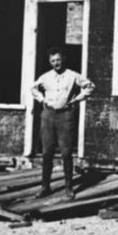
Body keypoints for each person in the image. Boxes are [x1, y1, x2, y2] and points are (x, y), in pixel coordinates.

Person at [29, 47, 94, 200]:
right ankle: (45, 187)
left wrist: (77, 99)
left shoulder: (72, 75)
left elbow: (90, 86)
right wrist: (42, 100)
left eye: (58, 59)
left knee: (66, 153)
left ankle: (69, 188)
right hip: (48, 115)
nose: (56, 63)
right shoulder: (45, 77)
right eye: (52, 61)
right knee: (47, 152)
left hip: (65, 115)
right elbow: (33, 88)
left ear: (63, 59)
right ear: (49, 62)